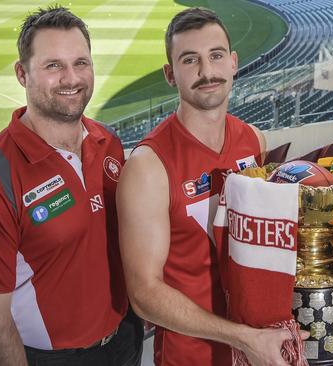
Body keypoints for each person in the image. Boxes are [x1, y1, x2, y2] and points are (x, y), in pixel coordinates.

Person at [116, 8, 298, 366]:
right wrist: (243, 338)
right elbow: (145, 294)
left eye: (215, 56)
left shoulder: (254, 141)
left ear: (233, 62)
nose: (206, 72)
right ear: (170, 74)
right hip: (193, 356)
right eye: (190, 60)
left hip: (258, 348)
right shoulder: (148, 167)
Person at [0, 6, 143, 366]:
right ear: (22, 73)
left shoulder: (108, 141)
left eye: (81, 63)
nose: (72, 78)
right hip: (51, 359)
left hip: (126, 339)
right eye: (54, 65)